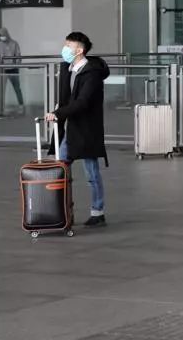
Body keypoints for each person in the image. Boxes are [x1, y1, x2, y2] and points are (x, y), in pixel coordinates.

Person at [45, 32, 109, 227]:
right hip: (72, 127)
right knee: (60, 166)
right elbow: (66, 98)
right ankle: (59, 210)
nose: (65, 49)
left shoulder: (92, 74)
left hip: (87, 129)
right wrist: (60, 110)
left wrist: (58, 113)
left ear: (79, 50)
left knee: (91, 173)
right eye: (65, 45)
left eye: (69, 46)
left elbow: (82, 102)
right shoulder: (67, 69)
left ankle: (98, 212)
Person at [0, 27, 24, 112]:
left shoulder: (14, 44)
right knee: (1, 90)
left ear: (6, 34)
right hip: (3, 70)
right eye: (0, 36)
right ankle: (0, 107)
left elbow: (18, 56)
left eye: (2, 35)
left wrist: (17, 66)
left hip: (14, 69)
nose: (1, 37)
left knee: (17, 88)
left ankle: (21, 105)